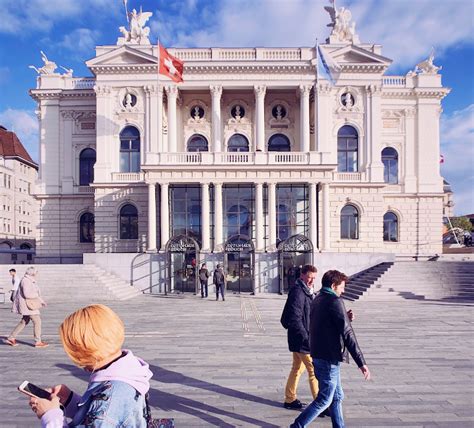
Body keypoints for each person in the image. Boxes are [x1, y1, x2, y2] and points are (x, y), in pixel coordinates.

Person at [26, 304, 153, 427]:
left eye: (75, 350)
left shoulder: (112, 397)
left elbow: (104, 414)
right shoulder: (128, 371)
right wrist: (70, 400)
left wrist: (50, 416)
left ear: (87, 349)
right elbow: (96, 417)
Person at [291, 270, 371, 428]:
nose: (344, 290)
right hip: (329, 358)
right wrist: (361, 363)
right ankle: (297, 426)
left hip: (319, 354)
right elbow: (347, 334)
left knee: (336, 396)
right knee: (324, 399)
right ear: (333, 285)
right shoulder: (335, 301)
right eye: (342, 287)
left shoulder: (318, 298)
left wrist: (345, 318)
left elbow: (326, 323)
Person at [283, 264, 319, 410]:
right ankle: (321, 403)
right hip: (302, 339)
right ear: (302, 275)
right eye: (309, 277)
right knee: (314, 370)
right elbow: (295, 318)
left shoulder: (307, 291)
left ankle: (290, 399)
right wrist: (307, 338)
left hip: (298, 338)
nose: (311, 281)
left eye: (314, 278)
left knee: (297, 368)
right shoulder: (298, 292)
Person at [4, 267, 48, 348]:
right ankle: (38, 341)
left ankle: (11, 337)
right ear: (32, 273)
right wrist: (37, 296)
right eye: (36, 273)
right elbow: (27, 294)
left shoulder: (30, 280)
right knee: (37, 321)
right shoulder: (26, 281)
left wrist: (41, 301)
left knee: (24, 321)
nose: (36, 274)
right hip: (28, 305)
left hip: (28, 304)